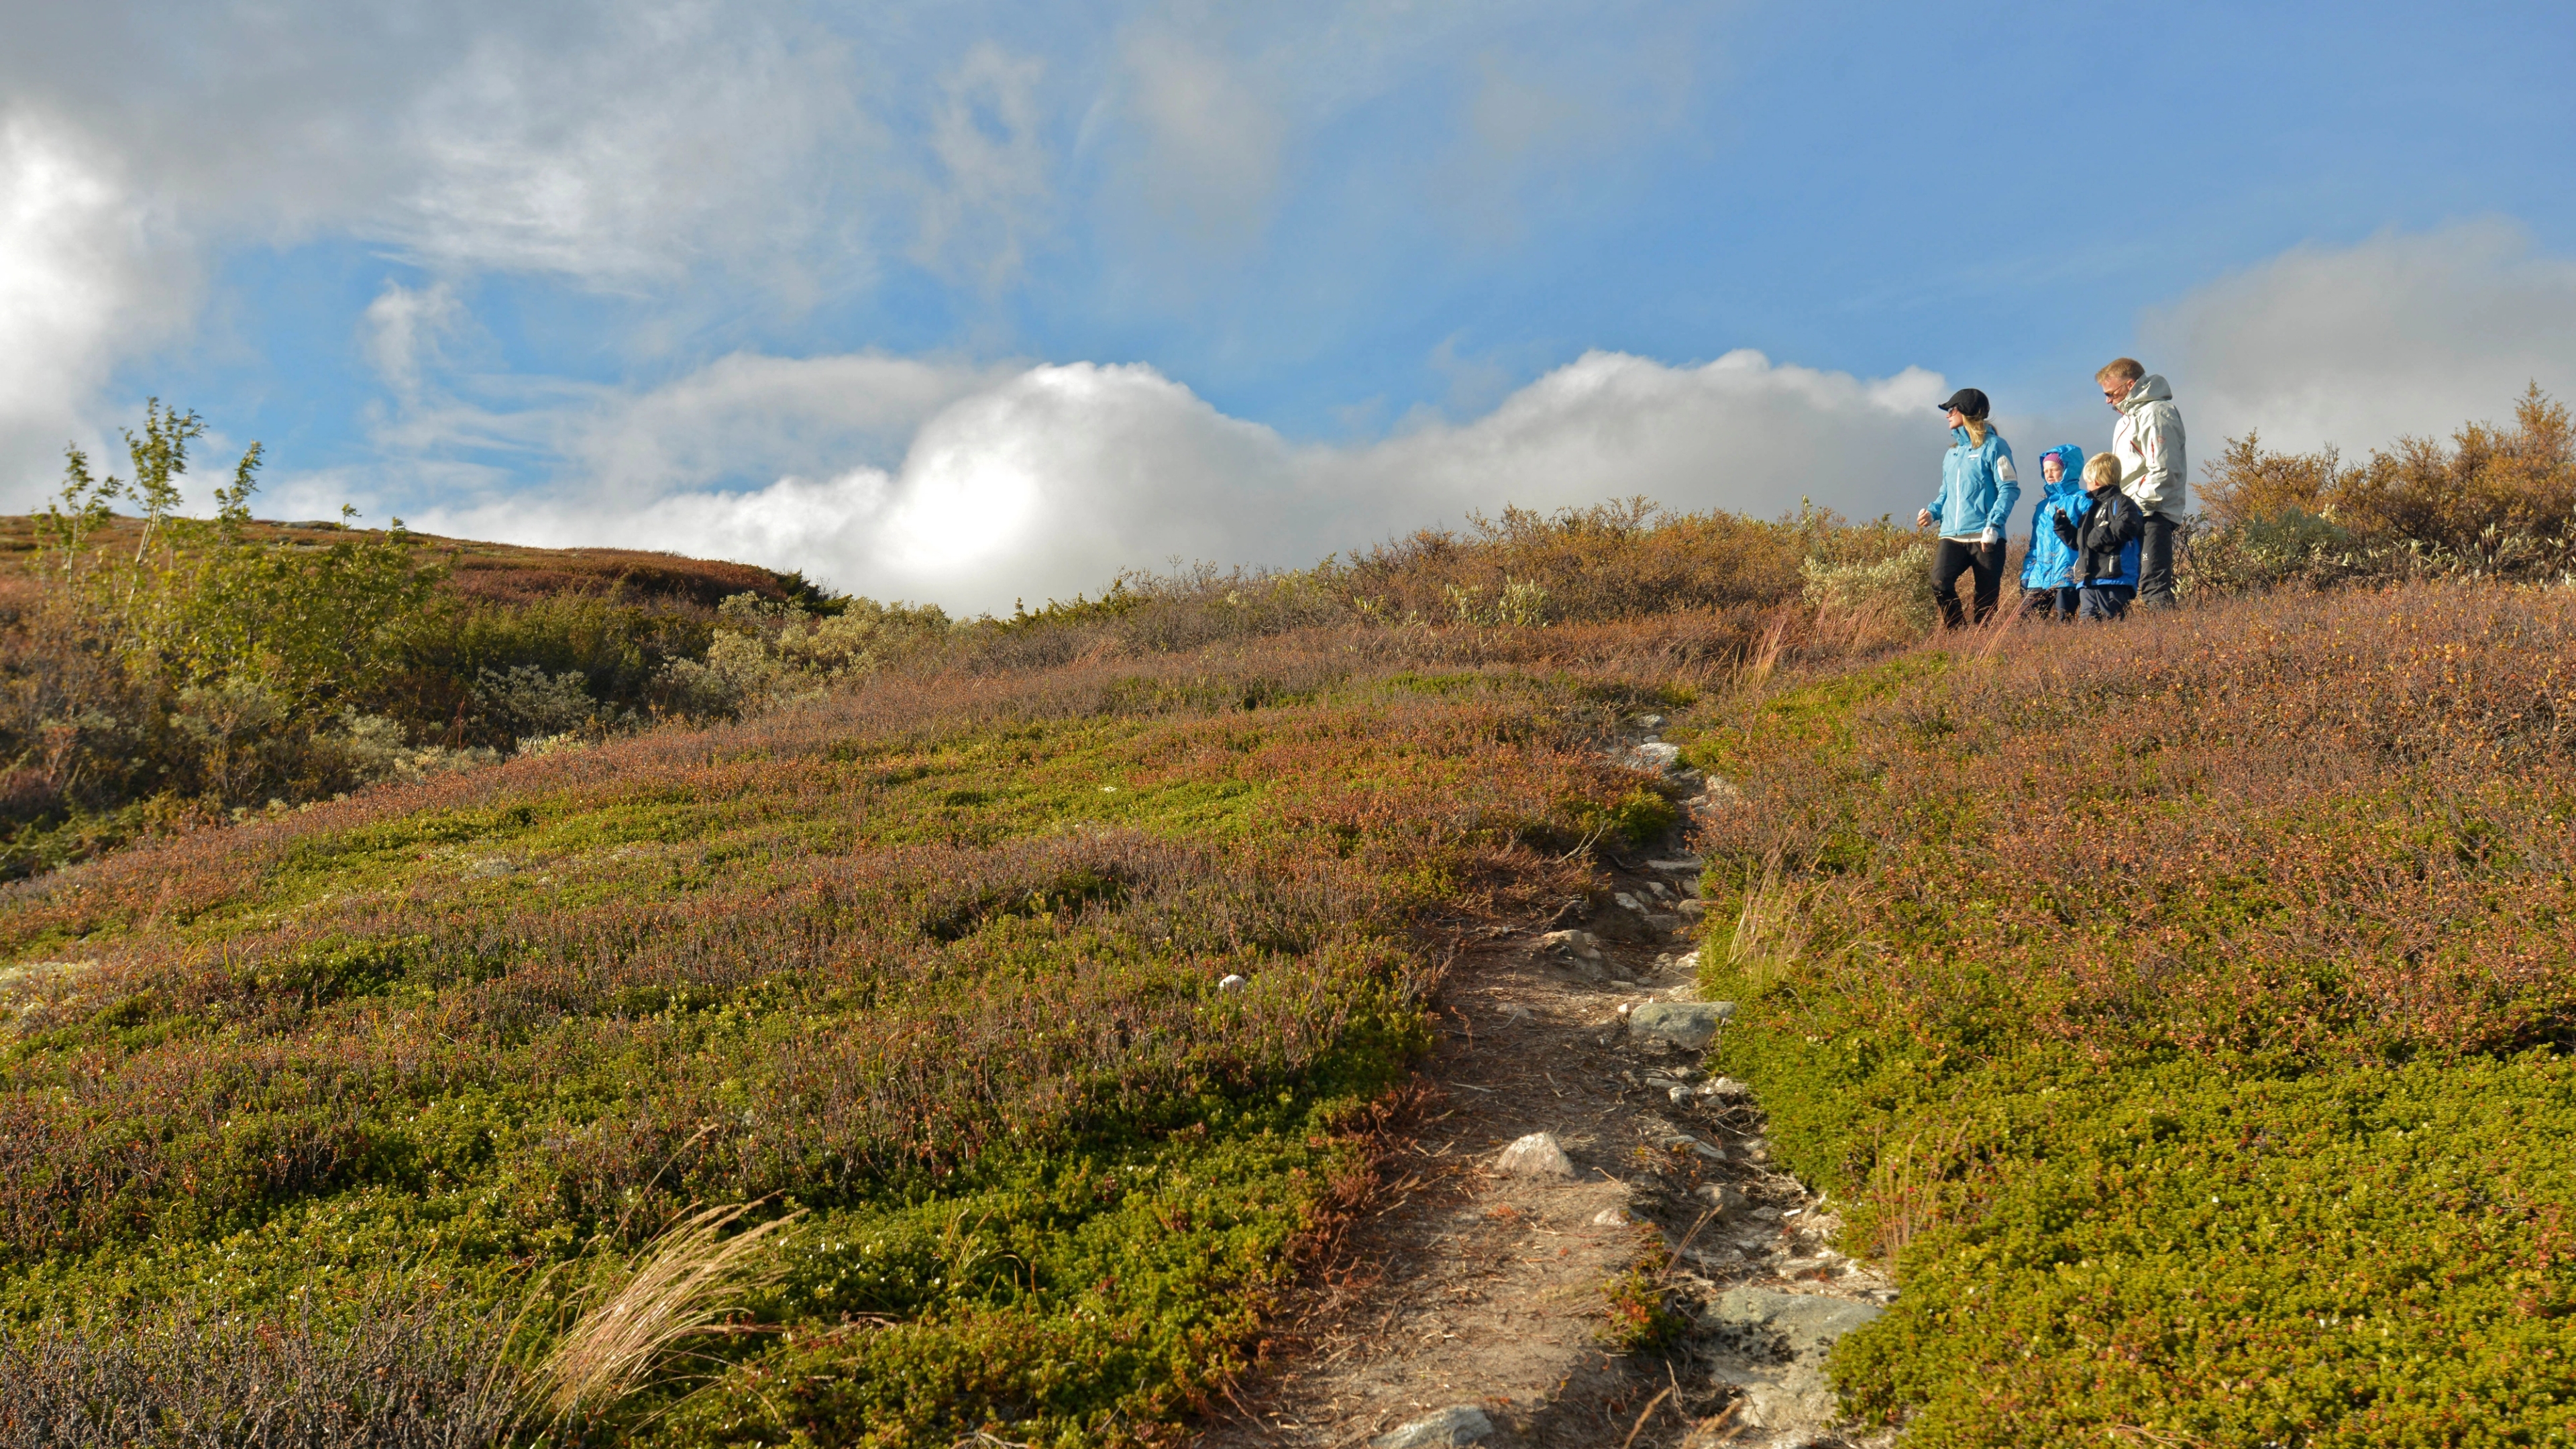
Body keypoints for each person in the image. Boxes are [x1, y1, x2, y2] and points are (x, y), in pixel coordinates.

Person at [1914, 387, 2019, 628]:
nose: (1947, 415)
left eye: (1952, 409)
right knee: (1939, 583)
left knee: (1985, 605)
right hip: (1951, 535)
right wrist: (1933, 511)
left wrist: (1994, 524)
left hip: (1986, 536)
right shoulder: (1951, 454)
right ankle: (1958, 634)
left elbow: (2009, 488)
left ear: (1968, 412)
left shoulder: (1996, 446)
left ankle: (1980, 649)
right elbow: (1946, 493)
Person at [2098, 358, 2186, 607]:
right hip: (2131, 514)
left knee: (2154, 590)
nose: (2108, 400)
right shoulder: (2125, 421)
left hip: (2152, 512)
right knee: (2123, 584)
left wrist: (2138, 507)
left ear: (2130, 385)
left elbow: (2165, 468)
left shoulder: (2157, 412)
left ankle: (2170, 641)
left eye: (2111, 393)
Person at [2051, 452, 2144, 619]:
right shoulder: (2091, 509)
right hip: (2088, 580)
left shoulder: (2122, 502)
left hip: (2113, 578)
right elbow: (2080, 543)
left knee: (2112, 623)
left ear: (2097, 479)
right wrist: (2062, 525)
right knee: (2089, 626)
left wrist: (2097, 536)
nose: (2086, 485)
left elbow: (2128, 526)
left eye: (2088, 480)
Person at [2017, 445, 2086, 619]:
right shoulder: (2043, 507)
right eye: (2045, 470)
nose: (2049, 474)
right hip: (2040, 575)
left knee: (2066, 622)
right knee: (2026, 623)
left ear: (2068, 469)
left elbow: (2087, 538)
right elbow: (2035, 544)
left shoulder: (2082, 499)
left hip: (2068, 574)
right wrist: (2028, 573)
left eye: (2054, 469)